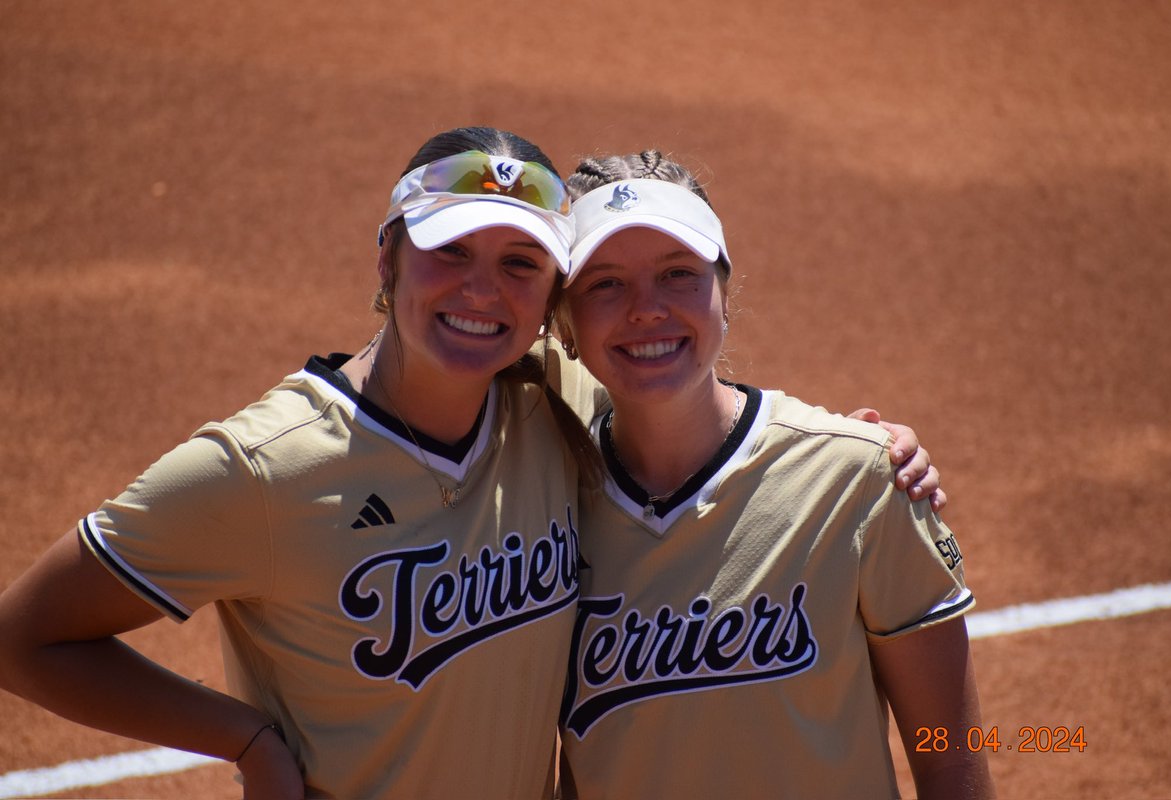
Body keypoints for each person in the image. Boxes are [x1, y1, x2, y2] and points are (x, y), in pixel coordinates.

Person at [0, 128, 942, 799]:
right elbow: (23, 638)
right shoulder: (267, 468)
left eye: (522, 264)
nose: (481, 292)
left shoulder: (547, 409)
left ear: (546, 310)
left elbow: (665, 367)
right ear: (387, 261)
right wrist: (243, 737)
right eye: (451, 251)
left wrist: (855, 453)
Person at [552, 152, 995, 799]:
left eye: (678, 273)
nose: (646, 308)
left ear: (724, 295)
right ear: (564, 324)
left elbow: (951, 755)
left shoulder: (858, 480)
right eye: (606, 284)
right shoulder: (537, 512)